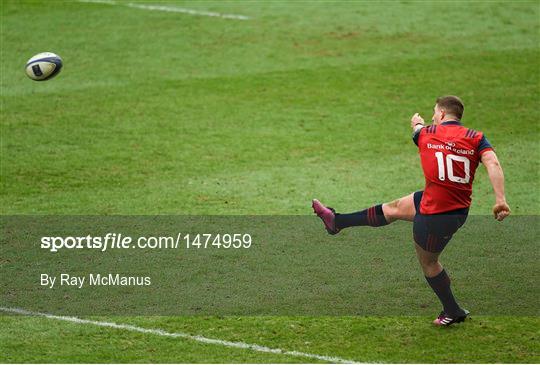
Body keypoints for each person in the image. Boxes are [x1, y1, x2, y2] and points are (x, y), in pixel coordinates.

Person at [312, 95, 510, 326]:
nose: (434, 116)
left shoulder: (427, 133)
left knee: (429, 263)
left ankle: (452, 310)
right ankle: (337, 222)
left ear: (443, 114)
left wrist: (417, 121)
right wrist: (500, 200)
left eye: (435, 112)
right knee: (394, 208)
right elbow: (493, 163)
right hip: (448, 204)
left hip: (438, 216)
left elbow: (417, 130)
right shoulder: (476, 138)